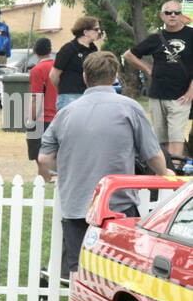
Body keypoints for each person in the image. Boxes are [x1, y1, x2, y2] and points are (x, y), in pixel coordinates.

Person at [37, 51, 165, 279]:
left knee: (79, 269)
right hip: (118, 205)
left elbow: (44, 159)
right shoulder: (130, 108)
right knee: (120, 270)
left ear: (85, 77)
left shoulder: (66, 113)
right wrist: (165, 174)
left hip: (76, 205)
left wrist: (61, 169)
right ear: (115, 76)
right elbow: (152, 154)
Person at [123, 0, 193, 158]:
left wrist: (191, 90)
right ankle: (165, 170)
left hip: (181, 96)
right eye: (169, 12)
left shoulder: (191, 35)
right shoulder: (156, 38)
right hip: (157, 94)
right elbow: (129, 55)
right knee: (161, 138)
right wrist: (147, 68)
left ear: (181, 15)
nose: (173, 15)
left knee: (176, 136)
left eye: (177, 12)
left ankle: (173, 173)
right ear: (162, 16)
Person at [49, 16, 102, 110]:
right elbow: (53, 75)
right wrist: (64, 90)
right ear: (85, 32)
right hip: (69, 97)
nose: (99, 32)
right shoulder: (68, 49)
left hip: (89, 96)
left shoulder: (94, 50)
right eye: (96, 29)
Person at [27, 37, 58, 165]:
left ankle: (46, 178)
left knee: (39, 155)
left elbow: (36, 98)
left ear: (34, 51)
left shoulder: (37, 70)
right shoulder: (58, 67)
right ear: (50, 50)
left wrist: (31, 120)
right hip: (59, 116)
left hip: (42, 118)